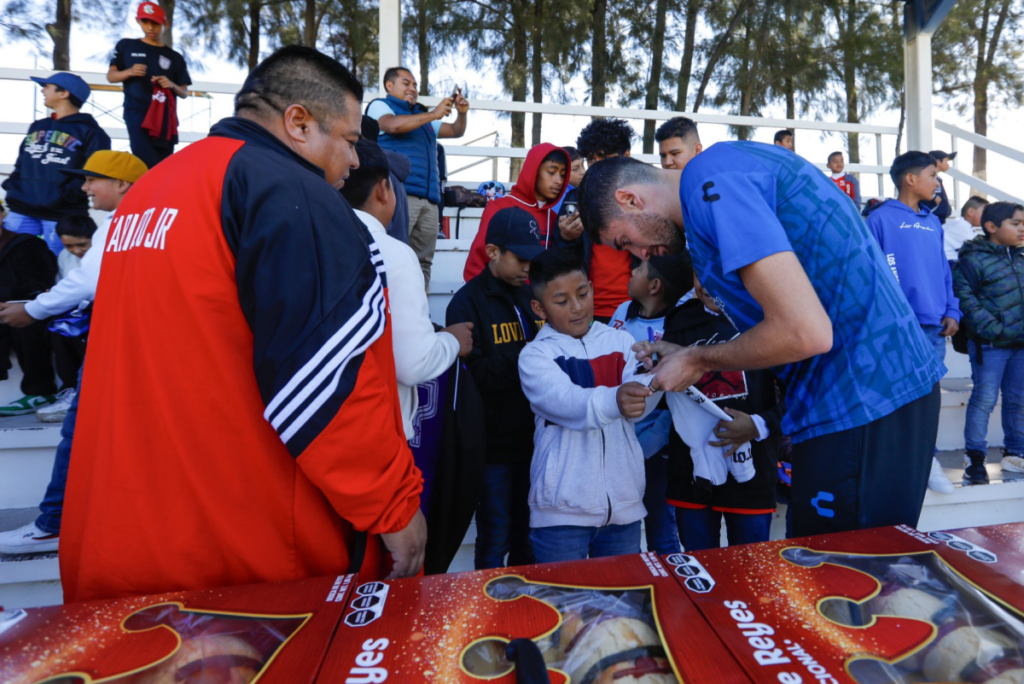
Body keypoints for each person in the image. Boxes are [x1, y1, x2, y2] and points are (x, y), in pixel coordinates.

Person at [55, 46, 426, 602]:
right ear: (299, 122)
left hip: (119, 532)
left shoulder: (152, 187)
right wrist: (393, 506)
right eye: (349, 141)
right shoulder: (290, 193)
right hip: (244, 558)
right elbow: (328, 380)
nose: (354, 163)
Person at [578, 145, 944, 538]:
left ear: (630, 199)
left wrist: (698, 361)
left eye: (624, 242)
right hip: (859, 395)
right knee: (853, 577)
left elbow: (803, 332)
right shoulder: (715, 186)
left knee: (843, 580)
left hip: (862, 395)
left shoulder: (710, 179)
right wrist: (688, 354)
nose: (638, 254)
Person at [0, 150, 146, 556]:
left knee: (78, 432)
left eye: (92, 179)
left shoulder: (122, 223)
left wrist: (32, 309)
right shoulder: (150, 219)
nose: (83, 187)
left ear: (122, 184)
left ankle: (53, 523)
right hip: (141, 347)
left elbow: (86, 284)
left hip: (119, 348)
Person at [518, 248, 657, 562]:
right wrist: (617, 398)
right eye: (562, 301)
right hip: (560, 518)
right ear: (539, 308)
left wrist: (658, 373)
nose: (577, 307)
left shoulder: (620, 341)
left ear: (593, 288)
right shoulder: (534, 356)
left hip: (625, 510)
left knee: (621, 610)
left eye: (583, 293)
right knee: (567, 612)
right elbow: (568, 402)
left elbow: (641, 405)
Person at [339, 138, 472, 439]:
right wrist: (452, 341)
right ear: (383, 190)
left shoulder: (308, 238)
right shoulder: (394, 254)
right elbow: (414, 363)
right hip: (376, 429)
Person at [446, 206, 545, 569]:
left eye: (533, 259)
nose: (527, 268)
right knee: (494, 539)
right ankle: (488, 619)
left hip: (536, 442)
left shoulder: (533, 294)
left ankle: (528, 616)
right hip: (493, 448)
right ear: (492, 252)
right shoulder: (466, 302)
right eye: (520, 259)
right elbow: (472, 375)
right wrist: (529, 356)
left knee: (530, 536)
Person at [864, 151, 960, 494]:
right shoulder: (878, 219)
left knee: (927, 399)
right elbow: (871, 275)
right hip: (896, 326)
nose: (937, 182)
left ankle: (926, 460)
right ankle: (893, 464)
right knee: (894, 396)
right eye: (933, 175)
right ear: (910, 179)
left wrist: (952, 309)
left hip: (934, 325)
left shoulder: (933, 222)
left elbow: (944, 271)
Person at [664, 273, 782, 551]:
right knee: (700, 568)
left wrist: (758, 424)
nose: (706, 284)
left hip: (753, 474)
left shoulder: (770, 319)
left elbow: (799, 393)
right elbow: (666, 394)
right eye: (698, 274)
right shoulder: (679, 321)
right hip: (691, 473)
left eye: (719, 274)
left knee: (752, 571)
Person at [608, 253, 692, 556]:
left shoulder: (680, 323)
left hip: (661, 444)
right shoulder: (621, 313)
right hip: (621, 435)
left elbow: (681, 392)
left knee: (660, 524)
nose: (631, 271)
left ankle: (670, 586)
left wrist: (655, 439)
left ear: (654, 285)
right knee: (618, 523)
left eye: (639, 268)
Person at [367, 67, 469, 289]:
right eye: (406, 83)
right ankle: (390, 317)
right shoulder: (380, 106)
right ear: (389, 86)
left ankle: (419, 318)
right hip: (399, 195)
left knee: (422, 263)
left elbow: (455, 131)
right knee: (394, 258)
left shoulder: (420, 117)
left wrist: (461, 113)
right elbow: (391, 125)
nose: (413, 88)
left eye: (415, 85)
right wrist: (433, 114)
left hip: (429, 201)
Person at [953, 201, 1024, 484]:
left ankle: (1015, 453)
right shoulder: (972, 258)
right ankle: (975, 457)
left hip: (1021, 344)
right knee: (984, 399)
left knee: (1018, 400)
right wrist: (992, 329)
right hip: (990, 344)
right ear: (992, 227)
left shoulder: (1021, 257)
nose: (1022, 229)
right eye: (1016, 224)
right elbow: (965, 299)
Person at [1, 72, 109, 256]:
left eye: (47, 86)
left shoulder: (93, 133)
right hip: (23, 208)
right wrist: (13, 187)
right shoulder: (38, 126)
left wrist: (61, 196)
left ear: (63, 93)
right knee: (8, 260)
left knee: (59, 267)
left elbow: (92, 173)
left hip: (62, 214)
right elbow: (22, 163)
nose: (42, 90)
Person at [462, 143, 569, 281]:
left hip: (540, 300)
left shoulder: (554, 217)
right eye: (551, 172)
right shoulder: (500, 208)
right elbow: (476, 264)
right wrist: (488, 300)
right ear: (533, 171)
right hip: (502, 299)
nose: (558, 181)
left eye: (562, 175)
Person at [567, 118, 637, 323]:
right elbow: (562, 259)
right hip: (587, 311)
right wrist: (565, 237)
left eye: (605, 158)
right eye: (591, 160)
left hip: (635, 311)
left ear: (626, 156)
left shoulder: (645, 197)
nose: (597, 167)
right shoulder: (576, 198)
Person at [107, 2, 191, 168]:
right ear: (138, 21)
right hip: (137, 111)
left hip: (165, 116)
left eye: (155, 23)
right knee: (143, 160)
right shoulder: (126, 46)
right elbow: (111, 76)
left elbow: (184, 92)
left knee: (164, 162)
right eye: (145, 22)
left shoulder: (174, 57)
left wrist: (171, 84)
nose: (150, 28)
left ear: (165, 24)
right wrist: (129, 72)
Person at [0, 198, 59, 418]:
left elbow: (40, 287)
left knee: (23, 318)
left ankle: (40, 391)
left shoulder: (27, 244)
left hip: (29, 311)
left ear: (1, 216)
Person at [46, 214, 97, 408]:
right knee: (59, 329)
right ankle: (70, 389)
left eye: (82, 244)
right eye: (69, 246)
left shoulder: (106, 252)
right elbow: (62, 288)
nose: (76, 250)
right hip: (78, 312)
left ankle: (87, 389)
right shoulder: (65, 257)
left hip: (100, 311)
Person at [944, 196, 988, 263]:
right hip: (946, 263)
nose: (987, 217)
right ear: (971, 212)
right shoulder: (961, 225)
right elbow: (976, 249)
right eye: (984, 213)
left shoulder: (964, 225)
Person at [921, 150, 955, 224]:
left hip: (939, 220)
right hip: (930, 219)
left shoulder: (938, 179)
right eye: (946, 161)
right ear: (938, 162)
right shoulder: (926, 178)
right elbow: (919, 188)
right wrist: (933, 196)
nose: (948, 165)